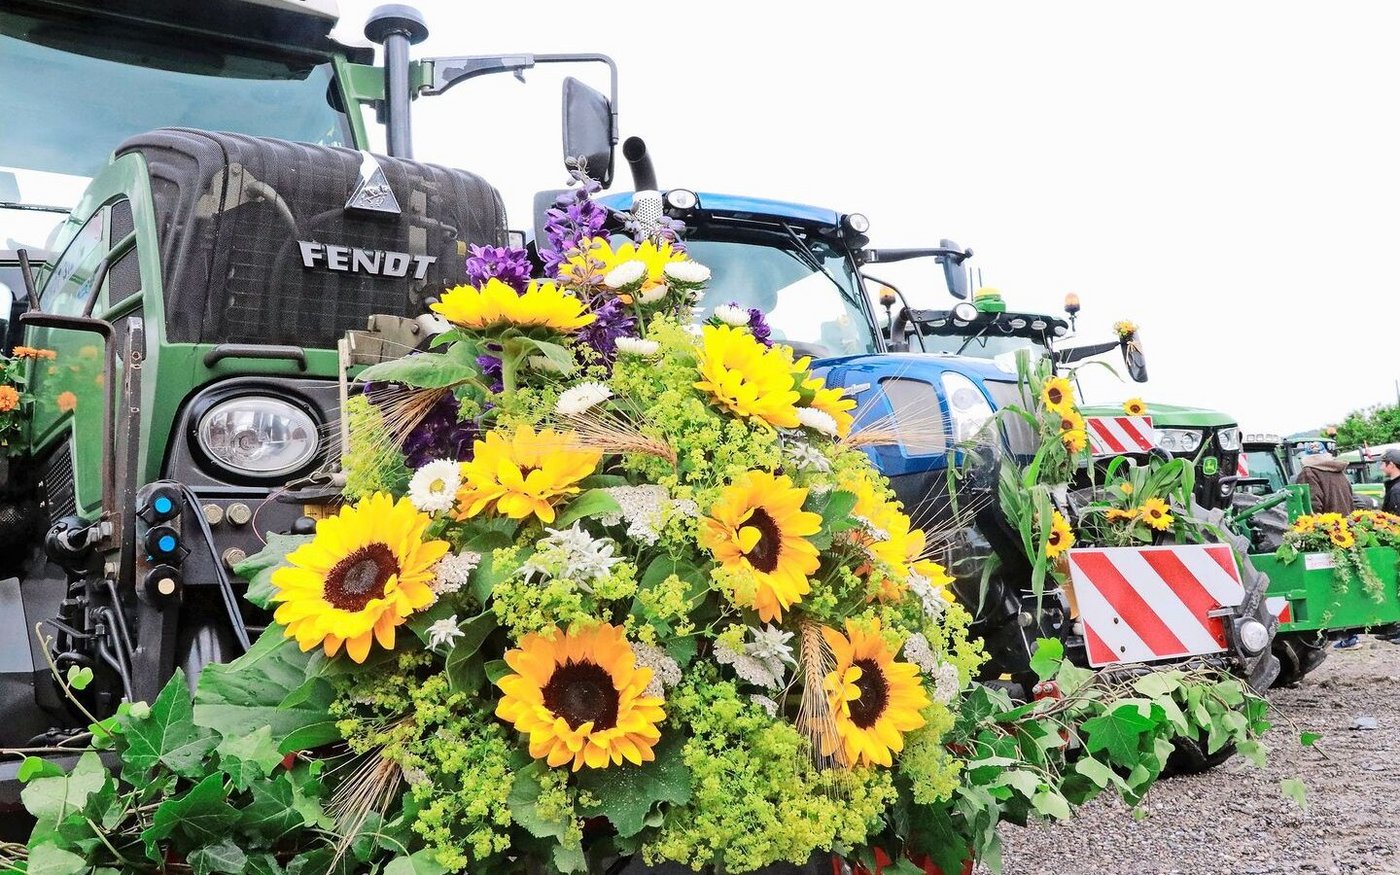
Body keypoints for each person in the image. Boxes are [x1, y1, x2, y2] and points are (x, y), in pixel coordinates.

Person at [1294, 444, 1353, 515]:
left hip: (1327, 524)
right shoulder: (1339, 473)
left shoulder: (1308, 473)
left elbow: (1311, 507)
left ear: (1306, 458)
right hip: (1345, 523)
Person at [1381, 448, 1400, 515]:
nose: (1381, 468)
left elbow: (1395, 521)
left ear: (1391, 465)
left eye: (1382, 464)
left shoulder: (1396, 491)